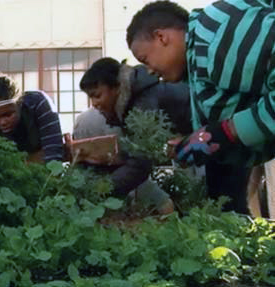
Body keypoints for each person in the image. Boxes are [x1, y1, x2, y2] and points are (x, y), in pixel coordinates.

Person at [126, 0, 275, 213]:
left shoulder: (215, 40)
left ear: (161, 37)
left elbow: (229, 129)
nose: (149, 71)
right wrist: (201, 140)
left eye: (145, 59)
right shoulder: (198, 63)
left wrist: (229, 131)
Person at [75, 57, 191, 198]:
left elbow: (139, 164)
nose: (94, 104)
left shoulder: (142, 104)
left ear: (116, 87)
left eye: (97, 95)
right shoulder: (131, 103)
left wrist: (100, 191)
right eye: (90, 98)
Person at [0, 73, 63, 163]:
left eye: (8, 115)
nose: (3, 122)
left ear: (20, 103)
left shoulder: (37, 104)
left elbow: (53, 155)